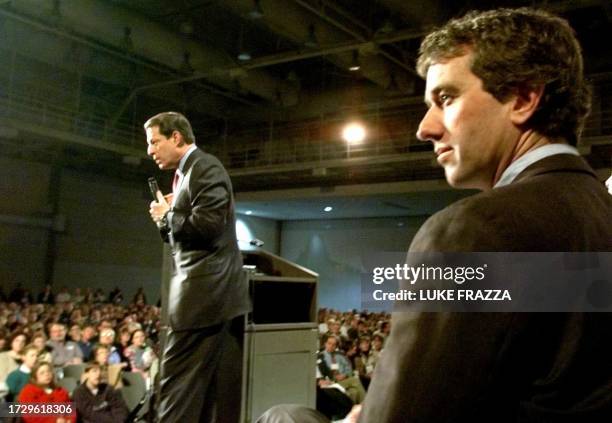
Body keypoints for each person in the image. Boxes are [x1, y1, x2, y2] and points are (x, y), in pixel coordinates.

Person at [258, 7, 612, 423]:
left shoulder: (473, 232)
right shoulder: (599, 215)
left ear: (523, 98)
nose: (425, 127)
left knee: (283, 416)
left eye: (446, 98)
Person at [145, 111, 250, 422]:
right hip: (210, 299)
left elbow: (208, 226)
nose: (150, 150)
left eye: (154, 142)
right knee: (207, 396)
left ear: (176, 137)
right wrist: (168, 216)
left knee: (176, 389)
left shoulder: (204, 167)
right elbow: (183, 236)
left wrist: (168, 215)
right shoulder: (186, 174)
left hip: (203, 300)